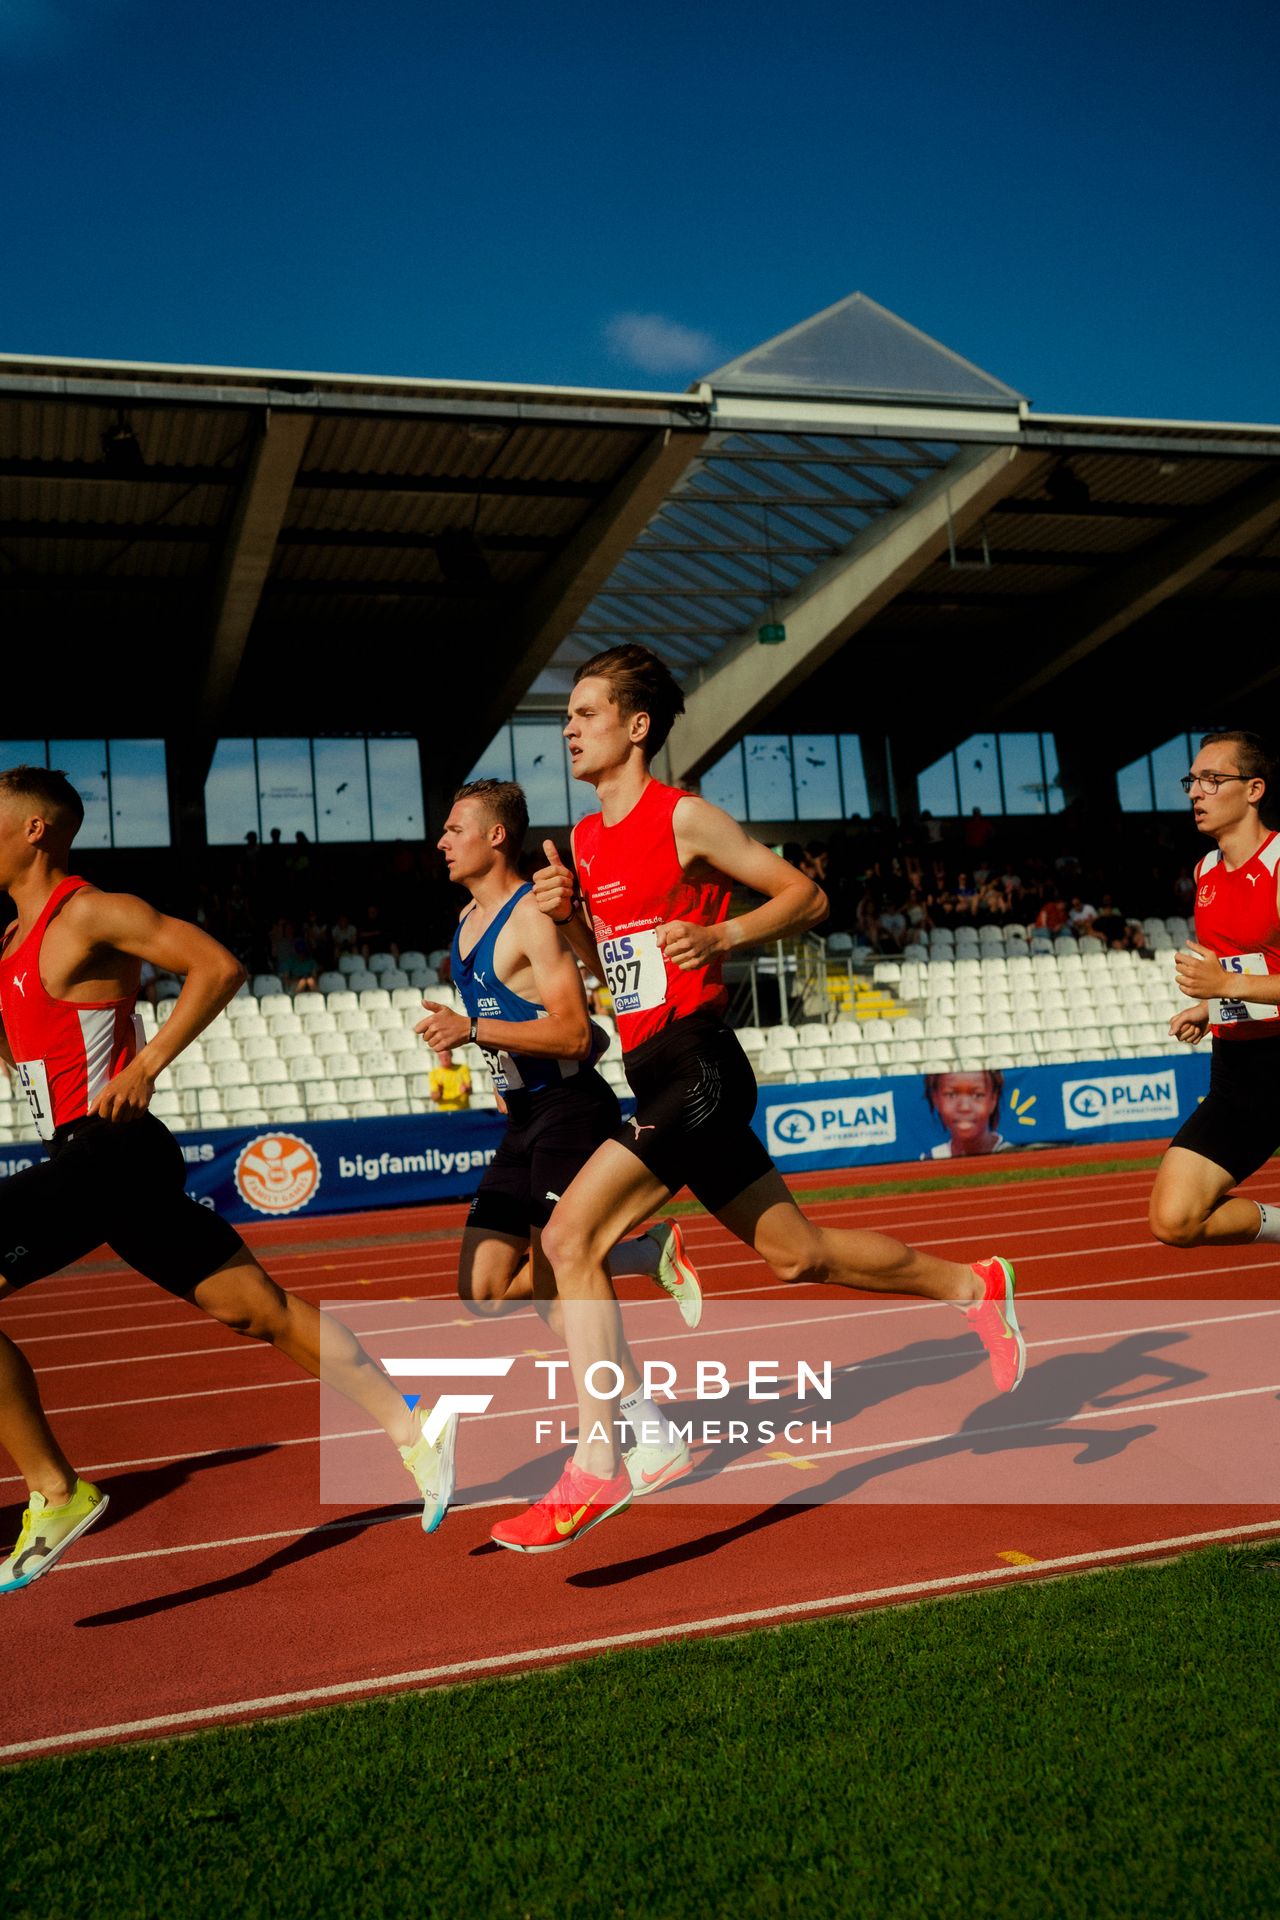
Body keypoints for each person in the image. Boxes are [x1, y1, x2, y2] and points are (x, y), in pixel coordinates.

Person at [488, 646, 1026, 1553]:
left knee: (570, 1238)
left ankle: (599, 1460)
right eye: (568, 717)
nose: (570, 729)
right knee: (796, 1255)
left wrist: (722, 930)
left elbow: (805, 895)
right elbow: (602, 970)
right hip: (649, 1065)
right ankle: (974, 1286)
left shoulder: (684, 817)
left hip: (701, 1066)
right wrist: (571, 915)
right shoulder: (581, 841)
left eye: (585, 713)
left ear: (636, 726)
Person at [0, 764, 453, 1592]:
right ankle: (413, 1426)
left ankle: (57, 1491)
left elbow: (217, 965)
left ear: (36, 828)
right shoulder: (9, 944)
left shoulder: (90, 911)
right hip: (82, 1158)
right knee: (254, 1309)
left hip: (111, 1144)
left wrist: (146, 1064)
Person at [413, 779, 703, 1526]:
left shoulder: (531, 921)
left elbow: (579, 1036)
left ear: (496, 837)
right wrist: (484, 1057)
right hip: (524, 1121)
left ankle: (641, 1436)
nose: (441, 841)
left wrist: (472, 1033)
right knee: (483, 1288)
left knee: (554, 1290)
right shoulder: (465, 923)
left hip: (572, 1110)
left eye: (454, 828)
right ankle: (641, 1257)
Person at [1148, 730, 1280, 1252]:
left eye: (1211, 779)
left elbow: (1237, 973)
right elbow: (1254, 966)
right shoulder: (1204, 871)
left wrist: (1225, 984)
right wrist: (1211, 1005)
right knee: (1175, 1220)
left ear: (1254, 790)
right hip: (1240, 1073)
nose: (1194, 792)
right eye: (1192, 780)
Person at [922, 1072, 1013, 1159]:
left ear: (993, 1100)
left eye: (978, 1095)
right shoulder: (928, 1161)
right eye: (951, 1095)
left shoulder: (1014, 1156)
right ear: (936, 1099)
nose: (964, 1107)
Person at [427, 1045, 471, 1112]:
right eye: (441, 1056)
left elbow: (470, 1090)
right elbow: (434, 1098)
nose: (444, 1058)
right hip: (444, 1112)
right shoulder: (434, 1073)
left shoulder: (462, 1068)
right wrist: (440, 1092)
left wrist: (466, 1089)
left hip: (463, 1110)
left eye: (446, 1055)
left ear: (451, 1055)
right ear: (438, 1058)